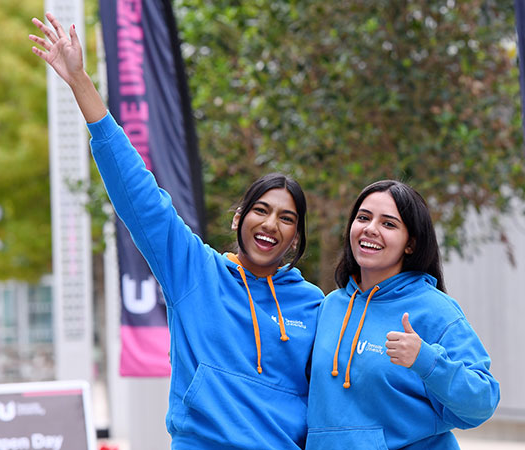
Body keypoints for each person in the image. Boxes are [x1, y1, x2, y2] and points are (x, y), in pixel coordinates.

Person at [29, 13, 323, 449]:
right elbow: (140, 196)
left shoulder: (314, 306)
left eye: (286, 218)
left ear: (295, 238)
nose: (271, 224)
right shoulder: (195, 273)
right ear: (237, 219)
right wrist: (81, 84)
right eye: (261, 210)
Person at [305, 180, 500, 449]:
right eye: (363, 217)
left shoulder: (435, 309)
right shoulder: (331, 307)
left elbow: (482, 402)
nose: (370, 229)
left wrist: (426, 359)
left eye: (388, 224)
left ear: (411, 244)